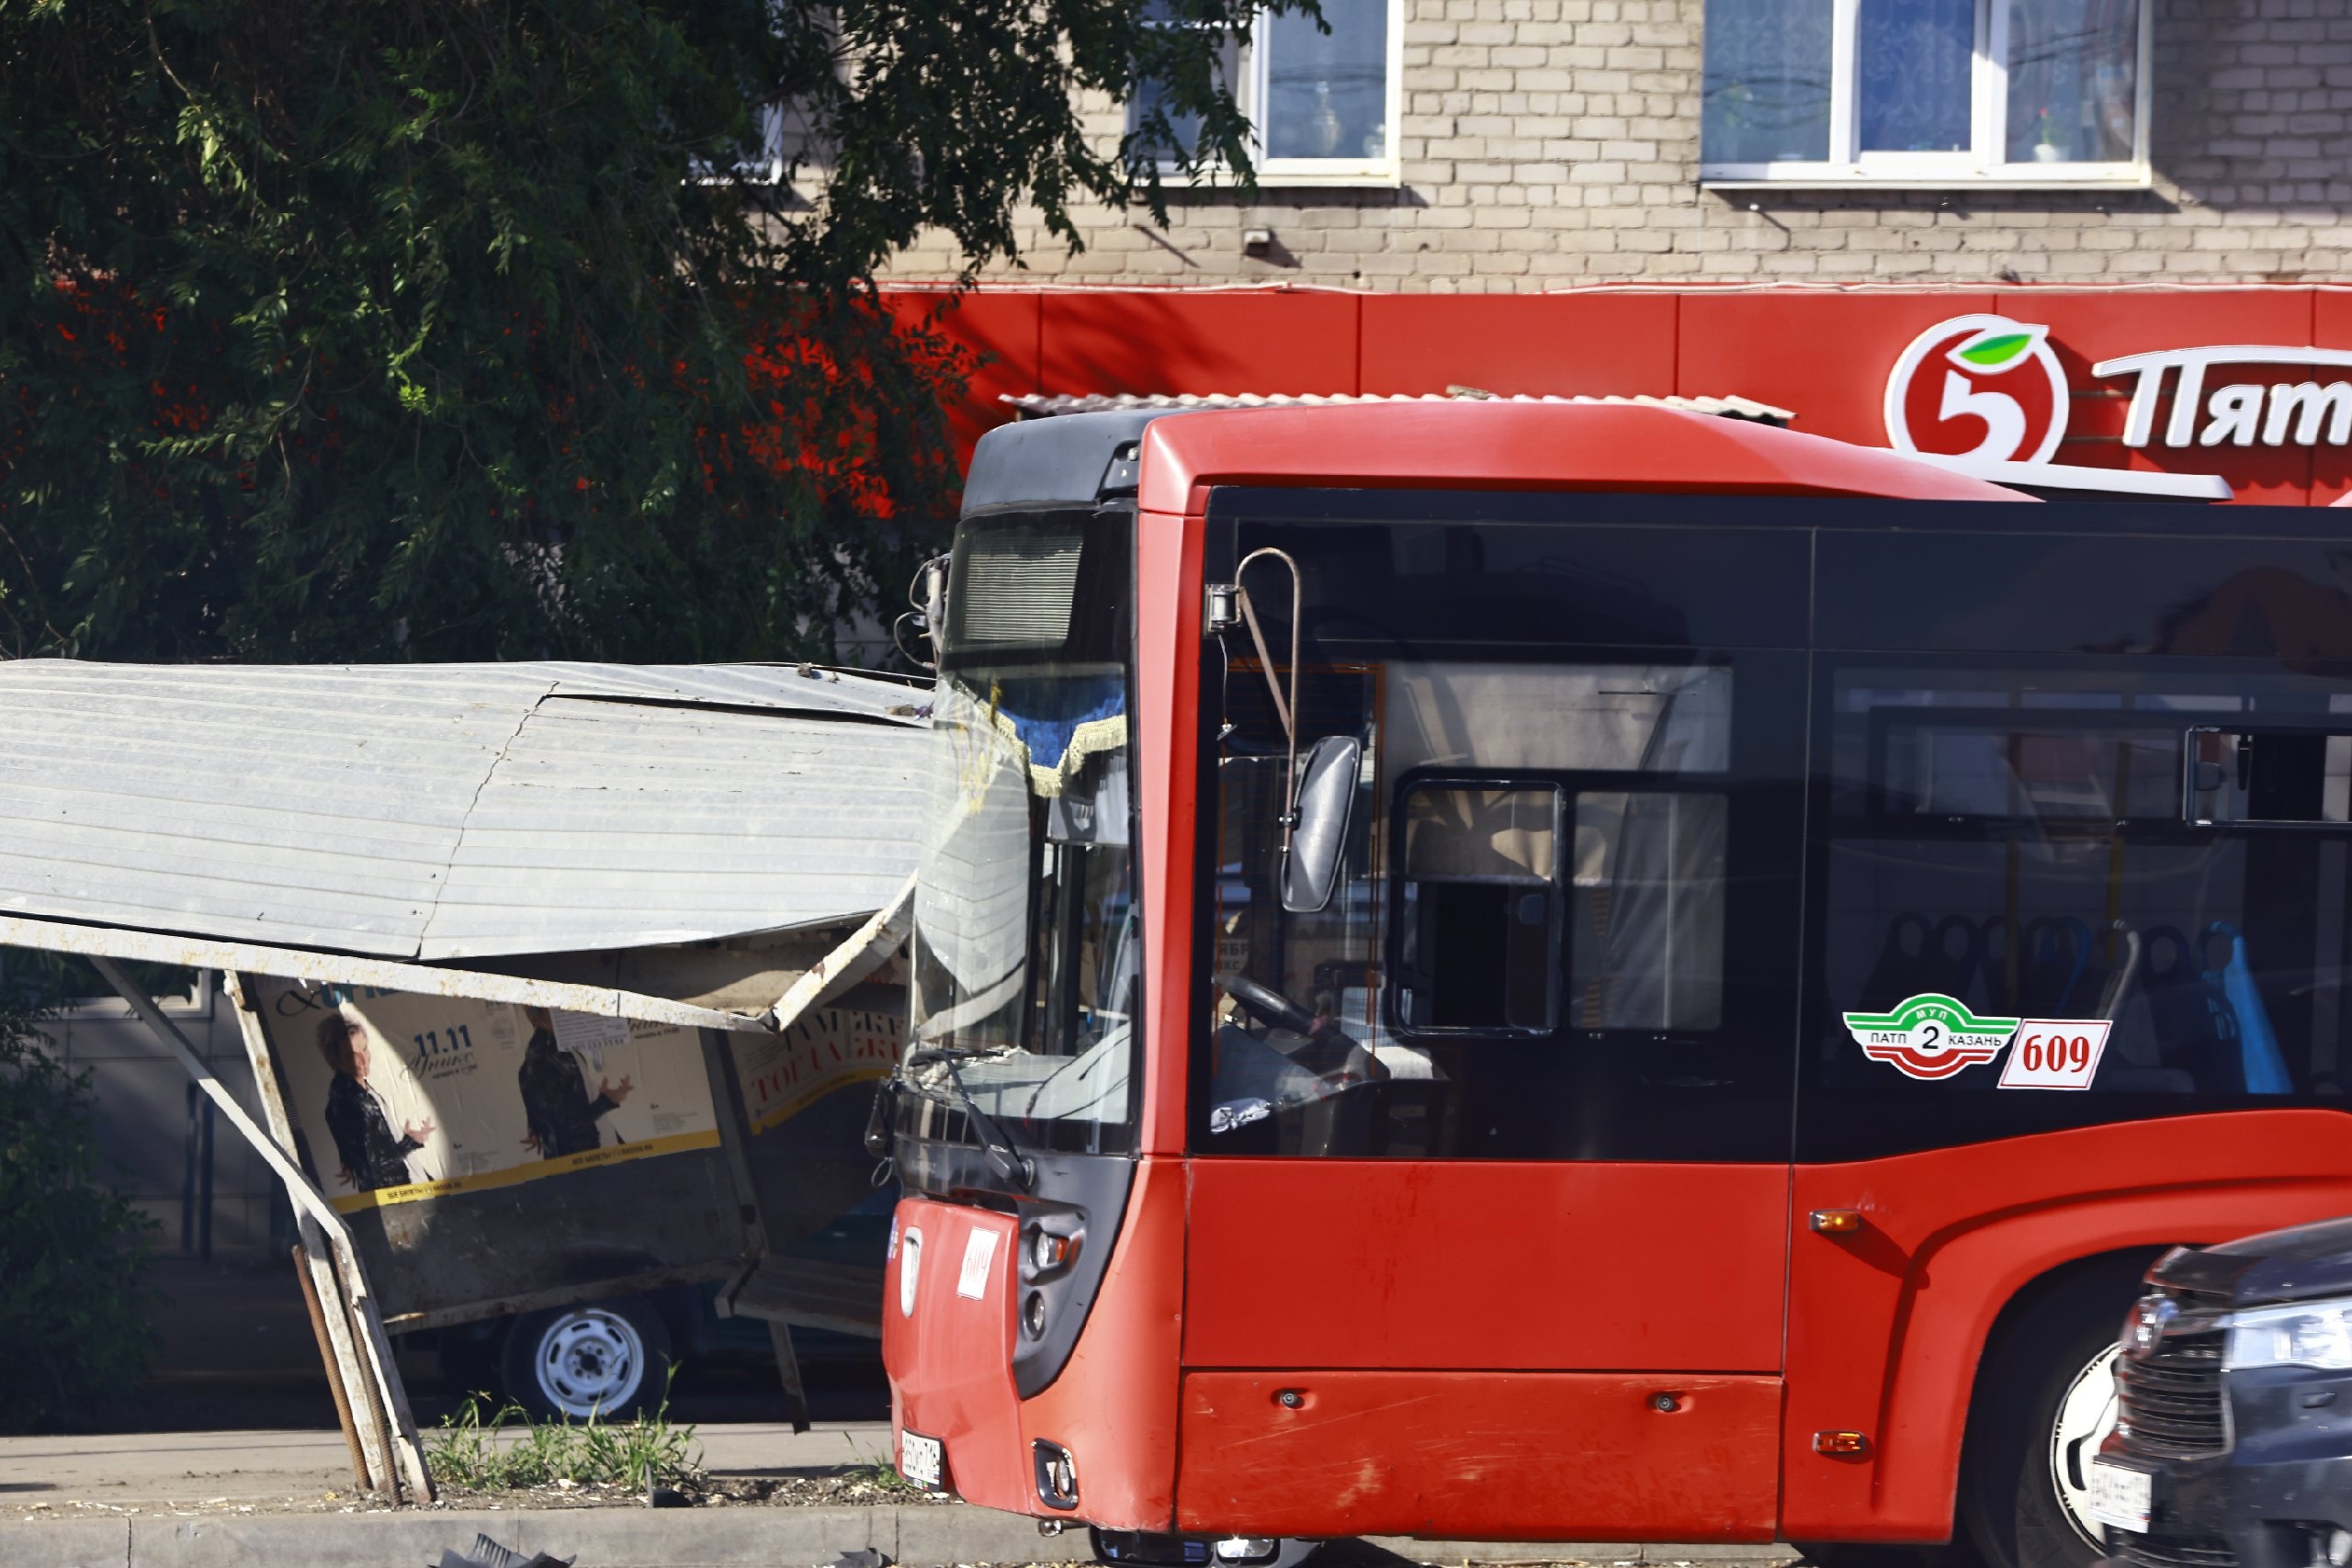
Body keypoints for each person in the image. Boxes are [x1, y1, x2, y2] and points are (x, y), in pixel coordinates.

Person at [317, 1013, 433, 1191]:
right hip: (395, 1199)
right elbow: (375, 1164)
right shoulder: (346, 1103)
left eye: (364, 1049)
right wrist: (411, 1141)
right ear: (335, 1062)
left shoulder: (364, 1090)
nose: (363, 1059)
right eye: (351, 1055)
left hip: (409, 1187)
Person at [516, 1006, 634, 1158]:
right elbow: (569, 1125)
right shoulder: (544, 1059)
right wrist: (607, 1101)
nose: (567, 1009)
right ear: (537, 1014)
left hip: (595, 1157)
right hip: (583, 1165)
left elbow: (551, 1114)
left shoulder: (558, 1052)